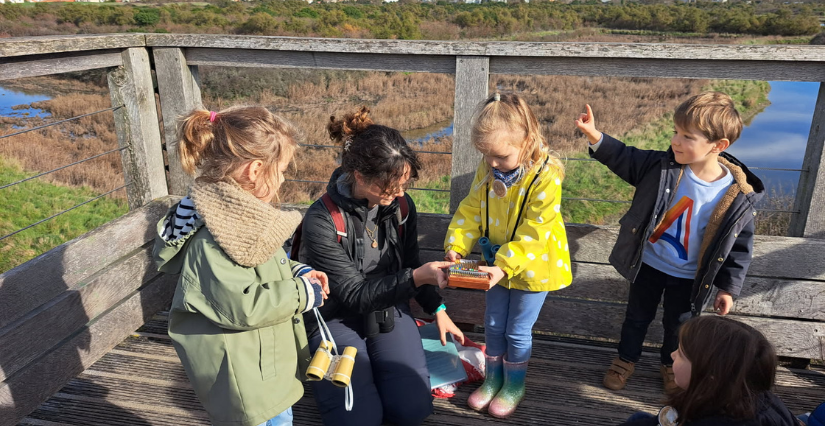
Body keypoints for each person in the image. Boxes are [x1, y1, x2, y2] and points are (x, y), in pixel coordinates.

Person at [574, 92, 766, 394]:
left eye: (687, 136)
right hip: (648, 265)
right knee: (636, 318)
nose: (675, 141)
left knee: (679, 327)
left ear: (718, 146)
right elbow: (625, 157)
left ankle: (672, 365)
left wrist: (728, 288)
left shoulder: (737, 195)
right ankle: (625, 360)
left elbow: (739, 247)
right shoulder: (662, 166)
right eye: (676, 132)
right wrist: (595, 135)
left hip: (690, 277)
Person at [153, 106, 329, 426]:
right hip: (244, 380)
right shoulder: (213, 239)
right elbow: (241, 305)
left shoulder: (240, 219)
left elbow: (262, 265)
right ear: (255, 170)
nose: (284, 179)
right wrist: (302, 294)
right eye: (282, 170)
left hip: (264, 366)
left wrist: (297, 272)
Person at [296, 106, 462, 426]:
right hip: (334, 317)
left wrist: (437, 309)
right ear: (360, 176)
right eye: (390, 186)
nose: (399, 193)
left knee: (411, 409)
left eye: (404, 184)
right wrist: (416, 278)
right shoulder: (322, 220)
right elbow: (355, 294)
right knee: (357, 419)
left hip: (387, 308)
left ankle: (378, 366)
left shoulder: (401, 206)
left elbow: (410, 262)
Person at [444, 92, 572, 419]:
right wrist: (457, 244)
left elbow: (536, 230)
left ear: (526, 142)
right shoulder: (489, 169)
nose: (491, 163)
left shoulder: (546, 176)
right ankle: (493, 379)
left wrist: (503, 266)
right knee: (492, 323)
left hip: (533, 269)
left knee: (517, 330)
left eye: (500, 156)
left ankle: (514, 384)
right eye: (486, 155)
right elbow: (472, 207)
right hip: (496, 266)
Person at [618, 315, 800, 426]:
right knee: (639, 418)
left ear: (710, 377)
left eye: (681, 354)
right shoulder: (758, 397)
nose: (672, 355)